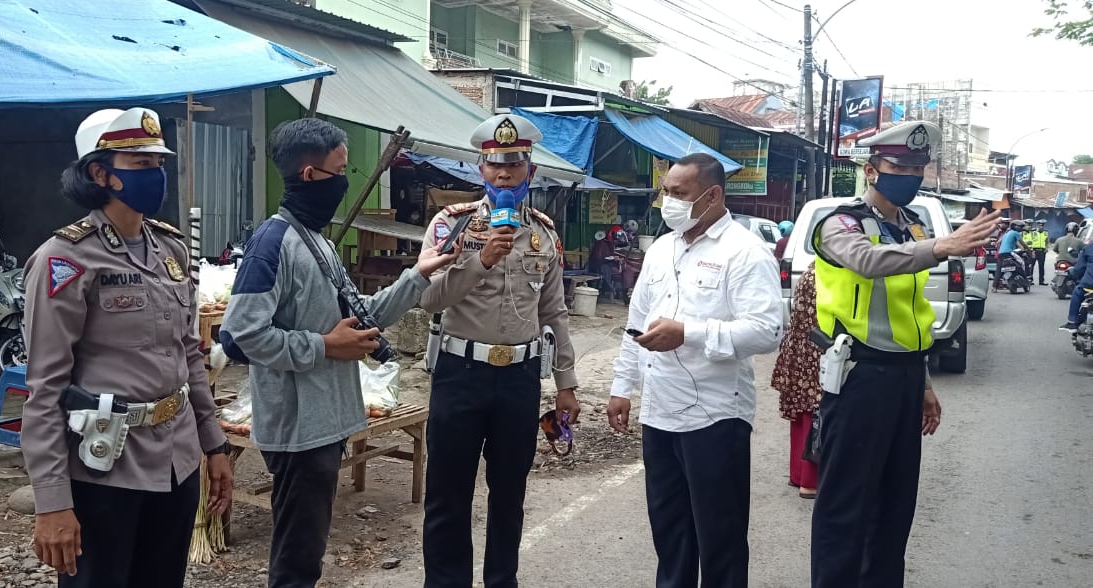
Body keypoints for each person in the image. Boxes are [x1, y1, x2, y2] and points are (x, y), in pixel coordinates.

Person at [218, 118, 459, 588]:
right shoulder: (273, 243)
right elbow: (239, 337)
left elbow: (361, 315)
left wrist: (418, 274)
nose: (346, 182)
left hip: (325, 421)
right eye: (341, 170)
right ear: (310, 175)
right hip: (298, 429)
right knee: (297, 559)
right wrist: (325, 346)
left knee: (307, 552)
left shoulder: (318, 242)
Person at [21, 107, 233, 588]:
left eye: (158, 163)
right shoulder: (65, 260)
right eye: (140, 164)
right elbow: (45, 388)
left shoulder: (170, 249)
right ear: (100, 174)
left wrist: (213, 443)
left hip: (176, 459)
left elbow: (189, 353)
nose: (156, 175)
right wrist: (52, 502)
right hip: (105, 466)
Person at [809, 121, 995, 587]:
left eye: (917, 168)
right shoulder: (839, 224)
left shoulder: (911, 225)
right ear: (871, 170)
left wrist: (925, 383)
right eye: (900, 167)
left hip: (905, 376)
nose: (911, 176)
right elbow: (868, 262)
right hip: (859, 377)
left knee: (895, 507)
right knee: (845, 506)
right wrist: (941, 246)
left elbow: (913, 314)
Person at [607, 152, 784, 588]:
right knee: (670, 534)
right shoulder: (661, 249)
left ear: (713, 195)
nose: (668, 202)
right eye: (665, 192)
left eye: (679, 193)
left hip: (715, 417)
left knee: (720, 538)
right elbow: (637, 319)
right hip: (660, 412)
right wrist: (622, 386)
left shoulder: (745, 252)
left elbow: (767, 331)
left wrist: (689, 333)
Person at [418, 113, 579, 588]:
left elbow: (554, 311)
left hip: (519, 380)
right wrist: (480, 260)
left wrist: (566, 383)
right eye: (494, 165)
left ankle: (501, 581)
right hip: (459, 373)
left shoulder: (544, 233)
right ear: (480, 168)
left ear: (531, 169)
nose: (504, 174)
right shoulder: (451, 225)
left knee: (510, 494)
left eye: (514, 164)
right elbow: (428, 299)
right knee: (447, 495)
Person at [770, 265, 821, 499]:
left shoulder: (812, 271)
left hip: (800, 350)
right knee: (815, 412)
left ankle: (800, 474)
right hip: (817, 352)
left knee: (802, 411)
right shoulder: (827, 276)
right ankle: (810, 480)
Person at [1059, 242, 1093, 331]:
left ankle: (1072, 322)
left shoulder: (1089, 248)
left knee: (1077, 292)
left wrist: (1072, 274)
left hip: (1089, 285)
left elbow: (1079, 269)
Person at [997, 219, 1025, 286]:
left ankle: (994, 286)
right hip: (1009, 253)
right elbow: (1022, 243)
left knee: (999, 270)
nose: (1021, 228)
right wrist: (1027, 250)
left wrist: (1000, 249)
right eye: (1020, 227)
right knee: (1021, 262)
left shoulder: (1006, 234)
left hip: (1000, 253)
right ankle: (1023, 278)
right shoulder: (1015, 233)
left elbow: (998, 242)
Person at [1029, 219, 1050, 284]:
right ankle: (1030, 280)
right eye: (1039, 225)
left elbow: (1047, 241)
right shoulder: (1033, 232)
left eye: (1042, 225)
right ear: (1037, 225)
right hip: (1034, 251)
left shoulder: (1046, 232)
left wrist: (1046, 248)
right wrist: (1031, 250)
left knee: (1041, 266)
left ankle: (1041, 281)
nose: (1041, 227)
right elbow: (1030, 241)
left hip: (1042, 251)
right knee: (1031, 266)